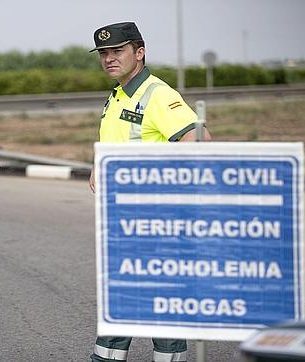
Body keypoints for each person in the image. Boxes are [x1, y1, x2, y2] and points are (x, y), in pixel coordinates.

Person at [87, 22, 212, 362]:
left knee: (161, 299)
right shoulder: (118, 94)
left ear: (139, 53)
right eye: (104, 54)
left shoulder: (159, 95)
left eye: (118, 51)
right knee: (123, 295)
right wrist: (100, 164)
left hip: (157, 220)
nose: (109, 59)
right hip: (124, 220)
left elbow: (199, 144)